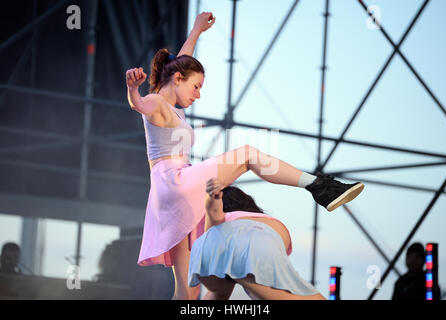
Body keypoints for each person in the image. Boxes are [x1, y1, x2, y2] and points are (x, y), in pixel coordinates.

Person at [126, 12, 364, 299]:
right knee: (248, 154)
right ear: (177, 79)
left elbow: (183, 60)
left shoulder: (174, 98)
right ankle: (320, 187)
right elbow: (140, 104)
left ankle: (321, 187)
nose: (198, 95)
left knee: (187, 294)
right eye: (196, 86)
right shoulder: (158, 103)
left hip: (169, 197)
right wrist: (132, 89)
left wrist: (197, 31)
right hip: (176, 181)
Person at [188, 178, 326, 300]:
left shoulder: (228, 225)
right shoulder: (269, 223)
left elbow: (219, 236)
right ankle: (213, 209)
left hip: (204, 249)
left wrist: (213, 208)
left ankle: (213, 208)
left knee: (219, 294)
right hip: (250, 243)